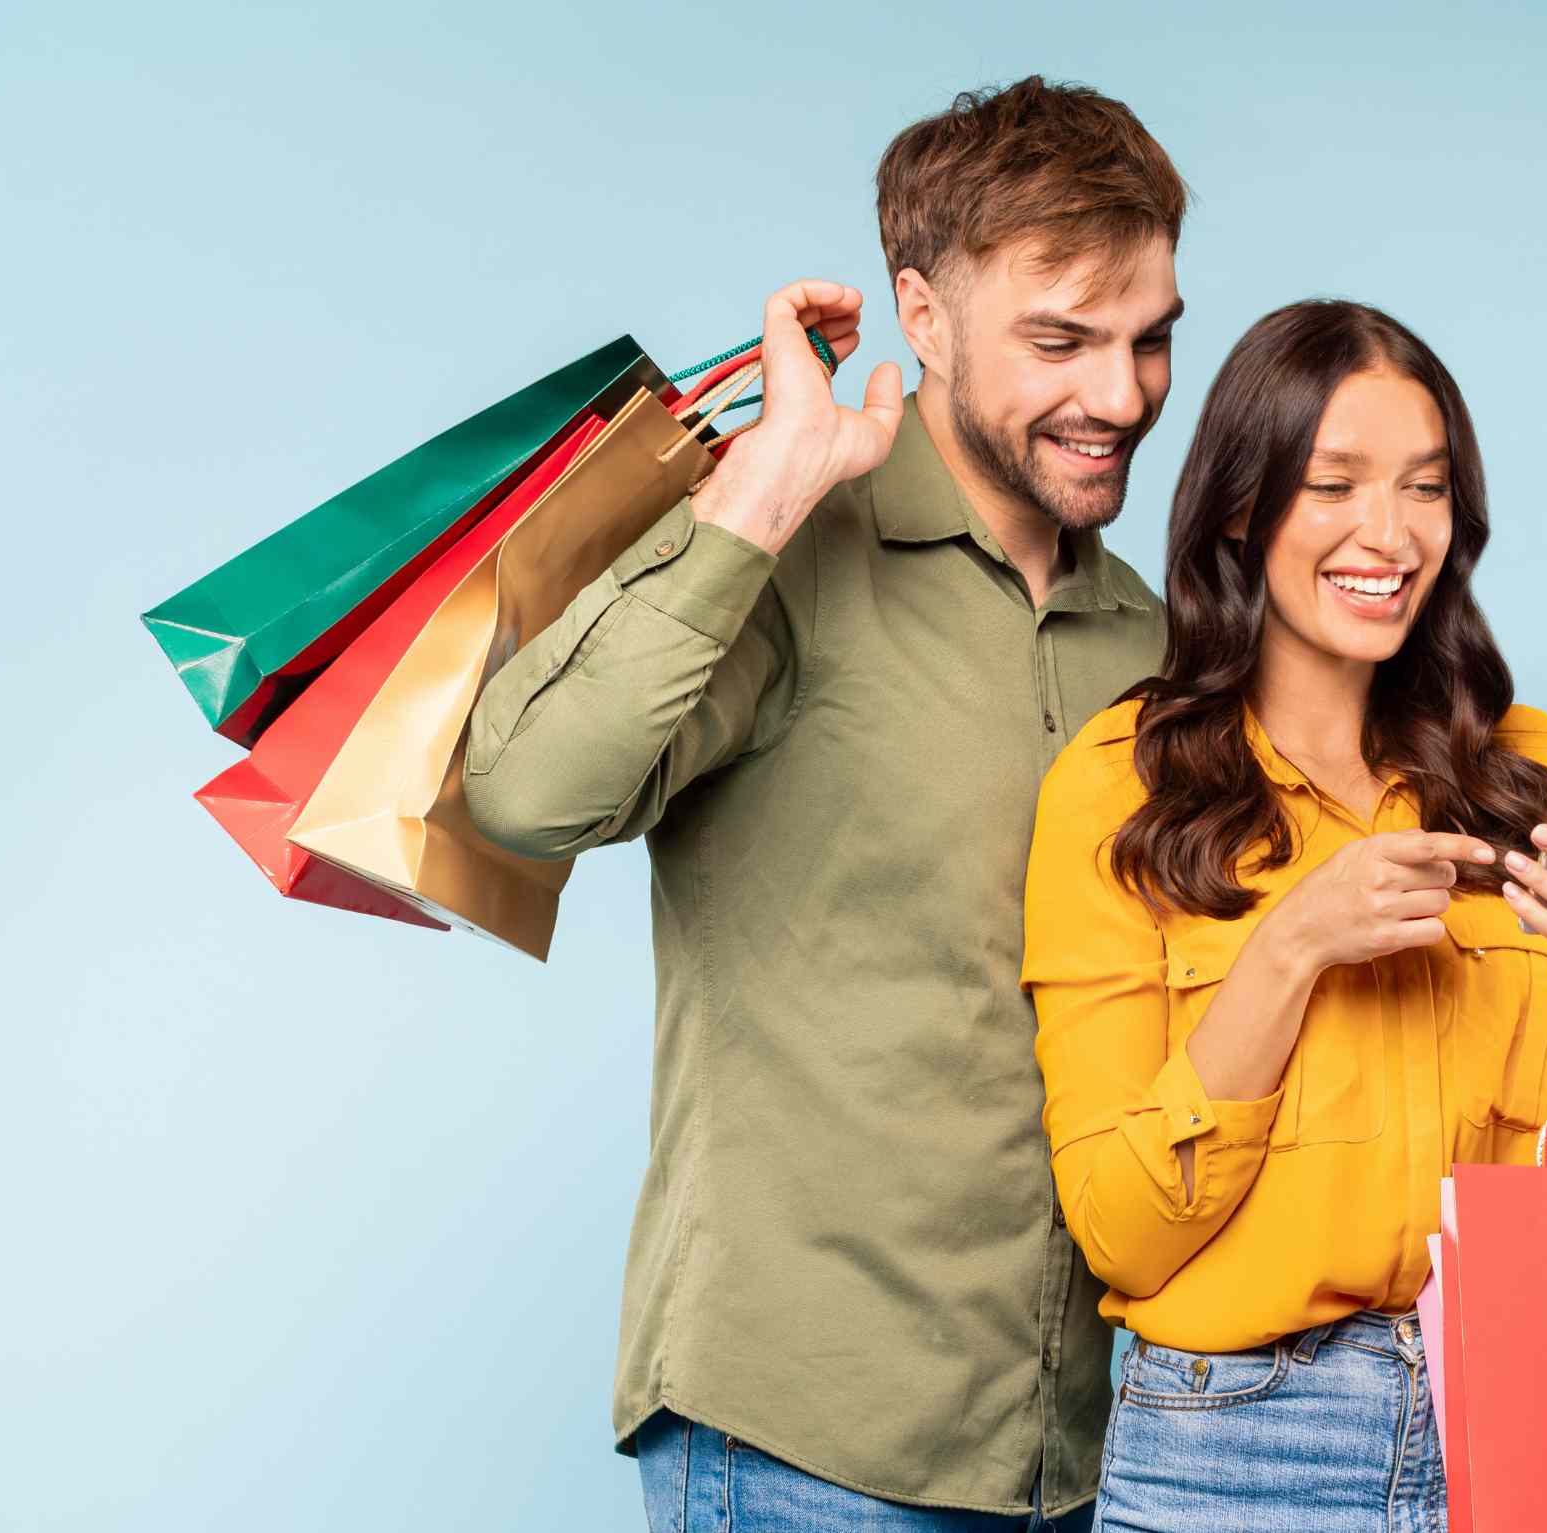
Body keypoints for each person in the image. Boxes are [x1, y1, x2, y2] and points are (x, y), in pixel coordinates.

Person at [463, 77, 1185, 1531]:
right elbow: (522, 795)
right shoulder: (780, 556)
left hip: (1071, 1459)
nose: (1120, 396)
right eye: (1061, 341)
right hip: (802, 1451)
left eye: (1150, 338)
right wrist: (763, 492)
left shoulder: (1150, 643)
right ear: (923, 317)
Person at [1021, 299, 1547, 1531]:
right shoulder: (1119, 789)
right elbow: (1120, 1234)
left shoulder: (1530, 773)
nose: (1390, 533)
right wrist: (1291, 948)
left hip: (1521, 1420)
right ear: (1240, 507)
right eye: (1334, 485)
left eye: (1425, 487)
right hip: (1236, 1452)